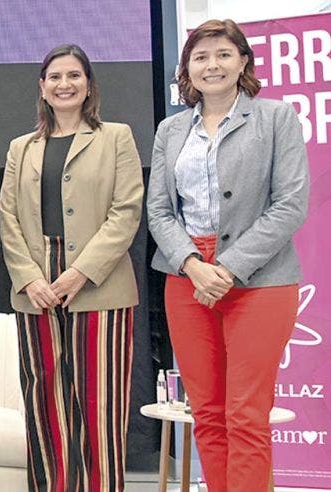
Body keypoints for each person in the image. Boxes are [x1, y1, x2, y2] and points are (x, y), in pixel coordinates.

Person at [147, 19, 308, 492]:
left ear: (242, 62)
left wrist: (230, 266)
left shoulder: (277, 118)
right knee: (209, 415)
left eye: (222, 54)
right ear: (187, 69)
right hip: (185, 275)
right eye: (200, 57)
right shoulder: (170, 129)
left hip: (262, 278)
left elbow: (291, 204)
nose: (211, 64)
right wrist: (193, 264)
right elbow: (159, 210)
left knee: (246, 414)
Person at [0, 44, 143, 491]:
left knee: (100, 404)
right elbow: (8, 216)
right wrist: (30, 278)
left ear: (88, 85)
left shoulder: (116, 136)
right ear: (42, 87)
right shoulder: (21, 147)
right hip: (37, 286)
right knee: (45, 402)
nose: (65, 84)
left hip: (99, 283)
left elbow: (127, 210)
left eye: (74, 76)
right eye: (55, 77)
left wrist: (80, 272)